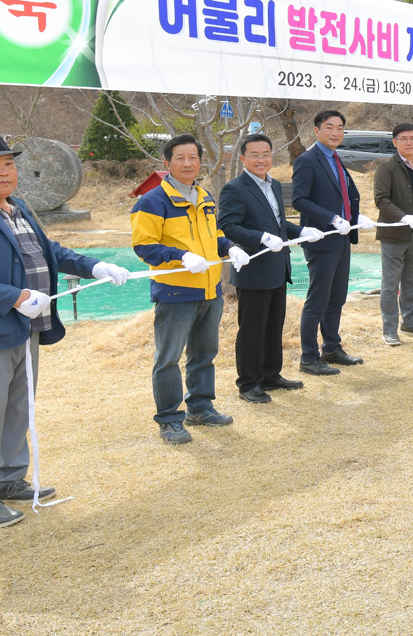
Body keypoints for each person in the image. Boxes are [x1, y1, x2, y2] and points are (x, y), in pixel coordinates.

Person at [0, 130, 130, 528]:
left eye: (8, 164)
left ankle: (8, 478)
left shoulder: (15, 207)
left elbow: (47, 251)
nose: (4, 172)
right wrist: (15, 297)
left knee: (18, 409)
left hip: (25, 328)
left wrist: (94, 266)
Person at [131, 134, 252, 444]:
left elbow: (215, 235)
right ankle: (170, 419)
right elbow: (143, 246)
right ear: (167, 163)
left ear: (200, 161)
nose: (187, 163)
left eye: (193, 157)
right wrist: (180, 256)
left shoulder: (205, 197)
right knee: (168, 358)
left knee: (204, 353)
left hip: (210, 290)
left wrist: (230, 247)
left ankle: (200, 407)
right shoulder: (152, 201)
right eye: (180, 158)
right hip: (175, 292)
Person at [217, 132, 323, 403]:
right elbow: (228, 226)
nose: (261, 159)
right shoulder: (235, 188)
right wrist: (261, 238)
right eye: (254, 155)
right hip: (253, 269)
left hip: (278, 267)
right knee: (252, 329)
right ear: (243, 158)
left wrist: (301, 231)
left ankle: (270, 375)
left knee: (274, 326)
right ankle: (248, 383)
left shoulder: (274, 184)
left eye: (266, 154)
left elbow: (279, 223)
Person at [290, 108, 364, 377]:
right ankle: (309, 357)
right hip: (321, 239)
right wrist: (331, 218)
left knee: (337, 297)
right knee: (317, 300)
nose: (336, 132)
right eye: (330, 127)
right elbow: (299, 200)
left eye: (340, 128)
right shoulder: (307, 160)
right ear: (316, 130)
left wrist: (355, 217)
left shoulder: (335, 158)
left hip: (341, 238)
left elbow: (344, 195)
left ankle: (331, 347)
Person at [373, 122, 413, 345]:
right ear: (395, 142)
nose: (409, 143)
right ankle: (389, 329)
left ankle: (409, 321)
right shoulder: (386, 167)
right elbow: (381, 200)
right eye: (404, 139)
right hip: (394, 235)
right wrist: (402, 217)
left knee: (411, 281)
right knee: (391, 285)